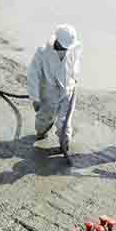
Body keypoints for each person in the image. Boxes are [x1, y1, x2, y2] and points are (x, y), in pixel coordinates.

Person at [28, 24, 82, 157]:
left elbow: (75, 66)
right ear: (57, 40)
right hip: (48, 93)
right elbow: (33, 75)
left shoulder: (74, 48)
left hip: (67, 91)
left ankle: (64, 144)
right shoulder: (43, 52)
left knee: (64, 122)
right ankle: (42, 131)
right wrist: (35, 98)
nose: (65, 49)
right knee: (43, 119)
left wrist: (74, 80)